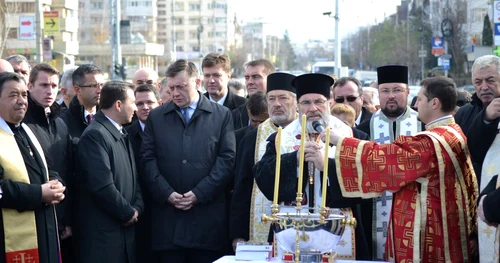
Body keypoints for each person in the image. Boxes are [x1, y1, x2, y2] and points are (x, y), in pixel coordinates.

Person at [329, 76, 478, 262]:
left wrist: (339, 141)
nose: (416, 105)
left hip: (434, 232)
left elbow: (388, 158)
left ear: (434, 103)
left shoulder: (431, 142)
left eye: (421, 99)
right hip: (448, 223)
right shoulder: (453, 130)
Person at [253, 73, 369, 260]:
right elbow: (264, 179)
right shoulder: (280, 139)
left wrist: (328, 167)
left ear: (329, 103)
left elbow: (366, 181)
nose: (313, 108)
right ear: (298, 106)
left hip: (338, 227)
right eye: (306, 102)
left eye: (319, 101)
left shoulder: (353, 137)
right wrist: (295, 160)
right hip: (291, 229)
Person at [141, 59, 235, 263]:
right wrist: (167, 193)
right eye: (171, 87)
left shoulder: (221, 115)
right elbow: (148, 160)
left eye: (181, 87)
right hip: (168, 222)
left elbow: (226, 160)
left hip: (207, 221)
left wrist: (199, 194)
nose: (175, 93)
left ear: (197, 83)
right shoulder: (157, 117)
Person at [356, 65, 424, 260]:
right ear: (379, 94)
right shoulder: (363, 129)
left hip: (416, 212)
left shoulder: (423, 125)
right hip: (373, 212)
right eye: (385, 91)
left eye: (397, 90)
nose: (391, 96)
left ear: (408, 92)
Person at [0, 72, 65, 263]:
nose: (21, 101)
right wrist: (39, 194)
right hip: (9, 237)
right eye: (13, 95)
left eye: (24, 95)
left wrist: (57, 184)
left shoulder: (26, 130)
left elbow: (43, 169)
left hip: (43, 229)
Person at [75, 81, 143, 263]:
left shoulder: (121, 133)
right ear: (119, 105)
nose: (136, 109)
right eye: (133, 103)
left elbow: (134, 180)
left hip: (124, 233)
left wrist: (137, 207)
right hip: (104, 237)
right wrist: (127, 212)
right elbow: (101, 185)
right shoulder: (95, 136)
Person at [230, 72, 297, 250]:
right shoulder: (253, 137)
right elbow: (241, 187)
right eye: (272, 99)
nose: (277, 104)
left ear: (296, 101)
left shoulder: (307, 133)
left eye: (283, 98)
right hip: (259, 225)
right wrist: (238, 234)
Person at [22, 63, 75, 261]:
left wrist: (67, 220)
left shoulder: (60, 122)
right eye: (43, 85)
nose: (49, 91)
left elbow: (68, 171)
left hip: (62, 216)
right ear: (30, 86)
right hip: (34, 214)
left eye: (53, 85)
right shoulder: (22, 124)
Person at [126, 84, 161, 262]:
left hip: (164, 206)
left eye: (150, 102)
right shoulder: (126, 134)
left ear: (160, 103)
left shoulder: (168, 131)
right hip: (138, 209)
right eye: (139, 103)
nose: (145, 107)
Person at [61, 64, 104, 147]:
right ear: (77, 89)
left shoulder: (108, 117)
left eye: (102, 85)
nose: (99, 90)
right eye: (94, 86)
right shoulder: (62, 122)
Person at [232, 59, 275, 130]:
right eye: (247, 78)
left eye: (256, 77)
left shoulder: (283, 112)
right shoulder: (235, 115)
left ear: (271, 79)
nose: (250, 82)